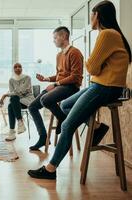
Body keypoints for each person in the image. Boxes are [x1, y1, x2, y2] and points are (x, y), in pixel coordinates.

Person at [28, 0, 131, 180]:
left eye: (91, 14)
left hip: (105, 87)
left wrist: (91, 61)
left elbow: (91, 68)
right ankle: (97, 128)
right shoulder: (111, 35)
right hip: (100, 85)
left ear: (97, 15)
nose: (90, 18)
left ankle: (51, 169)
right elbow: (95, 69)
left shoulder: (106, 34)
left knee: (67, 124)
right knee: (66, 106)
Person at [28, 26, 83, 151]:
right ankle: (43, 137)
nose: (54, 40)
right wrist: (46, 79)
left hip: (71, 87)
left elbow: (75, 77)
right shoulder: (59, 55)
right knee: (32, 106)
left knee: (46, 100)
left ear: (64, 36)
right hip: (60, 86)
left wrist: (56, 84)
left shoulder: (75, 52)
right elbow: (59, 75)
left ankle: (63, 119)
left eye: (55, 37)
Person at [0, 63, 34, 141]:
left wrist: (5, 95)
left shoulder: (27, 78)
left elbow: (21, 90)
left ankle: (12, 132)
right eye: (15, 67)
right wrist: (11, 94)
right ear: (13, 69)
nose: (18, 68)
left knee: (12, 101)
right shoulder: (11, 80)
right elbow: (13, 93)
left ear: (22, 68)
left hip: (27, 100)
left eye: (19, 67)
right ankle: (19, 122)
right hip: (16, 102)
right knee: (11, 103)